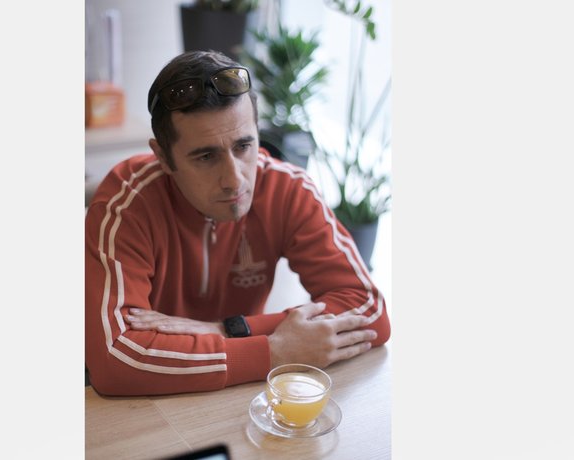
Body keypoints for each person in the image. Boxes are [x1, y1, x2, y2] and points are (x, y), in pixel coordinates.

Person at [85, 50, 389, 396]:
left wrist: (228, 328)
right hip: (152, 398)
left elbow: (369, 310)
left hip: (239, 391)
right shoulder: (125, 203)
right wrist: (272, 352)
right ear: (163, 157)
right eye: (206, 156)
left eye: (243, 146)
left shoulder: (287, 189)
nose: (234, 180)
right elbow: (114, 360)